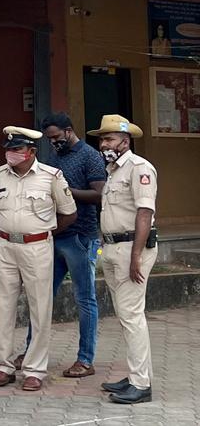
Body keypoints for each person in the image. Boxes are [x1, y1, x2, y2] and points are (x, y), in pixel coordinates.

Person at [13, 112, 107, 377]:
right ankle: (31, 350)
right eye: (50, 139)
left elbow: (100, 195)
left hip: (81, 238)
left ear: (69, 131)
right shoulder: (56, 158)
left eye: (56, 137)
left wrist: (63, 190)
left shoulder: (89, 156)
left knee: (84, 299)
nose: (53, 142)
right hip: (54, 235)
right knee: (41, 297)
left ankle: (85, 359)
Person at [0, 126, 76, 391]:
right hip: (4, 245)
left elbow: (69, 213)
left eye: (17, 149)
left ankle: (35, 370)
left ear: (31, 151)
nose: (11, 154)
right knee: (3, 306)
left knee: (39, 308)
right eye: (8, 149)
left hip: (37, 247)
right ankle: (3, 367)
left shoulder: (51, 176)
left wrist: (43, 233)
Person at [88, 115, 157, 405]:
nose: (105, 144)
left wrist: (136, 256)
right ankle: (137, 375)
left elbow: (144, 213)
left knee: (132, 316)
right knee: (126, 316)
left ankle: (141, 385)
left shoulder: (139, 168)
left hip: (132, 248)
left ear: (125, 141)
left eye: (110, 139)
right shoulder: (114, 170)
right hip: (115, 248)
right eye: (102, 139)